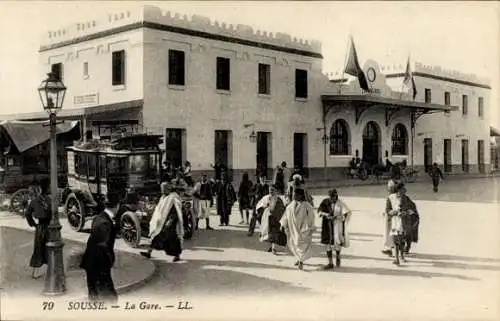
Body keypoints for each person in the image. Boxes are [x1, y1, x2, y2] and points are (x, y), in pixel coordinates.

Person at [80, 192, 120, 302]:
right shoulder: (105, 223)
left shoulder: (99, 217)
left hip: (91, 263)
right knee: (109, 297)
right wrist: (110, 261)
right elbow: (103, 246)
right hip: (99, 265)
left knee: (94, 295)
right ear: (117, 206)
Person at [141, 181, 184, 262]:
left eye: (163, 188)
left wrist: (170, 221)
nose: (162, 190)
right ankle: (149, 252)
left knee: (172, 239)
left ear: (168, 188)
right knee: (155, 235)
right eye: (161, 188)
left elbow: (176, 211)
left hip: (170, 222)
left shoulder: (174, 197)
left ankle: (177, 255)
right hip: (161, 221)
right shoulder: (163, 196)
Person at [280, 188, 316, 270]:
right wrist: (283, 224)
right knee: (293, 244)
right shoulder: (291, 205)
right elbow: (286, 215)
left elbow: (311, 217)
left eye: (295, 195)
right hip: (293, 228)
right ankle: (299, 258)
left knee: (301, 246)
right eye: (293, 195)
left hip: (303, 228)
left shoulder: (307, 206)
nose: (294, 196)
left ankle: (301, 261)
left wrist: (310, 227)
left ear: (300, 196)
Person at [317, 189, 352, 269]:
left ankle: (338, 256)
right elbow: (319, 211)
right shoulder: (325, 202)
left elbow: (347, 213)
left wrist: (337, 217)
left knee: (337, 242)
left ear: (337, 196)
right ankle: (330, 263)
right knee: (327, 243)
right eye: (331, 197)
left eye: (335, 197)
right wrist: (326, 214)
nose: (333, 199)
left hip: (337, 225)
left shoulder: (340, 203)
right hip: (327, 225)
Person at [25, 178, 51, 279]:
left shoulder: (34, 201)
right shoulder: (50, 200)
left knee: (38, 249)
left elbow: (27, 214)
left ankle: (35, 273)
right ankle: (52, 270)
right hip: (50, 227)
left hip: (40, 227)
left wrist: (33, 224)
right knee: (50, 249)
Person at [385, 182, 417, 265]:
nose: (405, 190)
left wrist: (406, 212)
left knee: (402, 240)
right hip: (395, 222)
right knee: (396, 240)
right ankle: (396, 258)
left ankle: (402, 256)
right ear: (398, 190)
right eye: (403, 189)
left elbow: (413, 208)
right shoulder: (390, 198)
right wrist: (394, 212)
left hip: (404, 222)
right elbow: (387, 210)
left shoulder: (406, 198)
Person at [256, 184, 288, 254]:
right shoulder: (266, 198)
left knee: (275, 233)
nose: (271, 192)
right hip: (267, 218)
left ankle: (274, 248)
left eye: (272, 190)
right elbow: (259, 205)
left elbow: (282, 209)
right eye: (270, 190)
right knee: (269, 233)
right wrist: (265, 207)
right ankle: (272, 246)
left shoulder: (279, 199)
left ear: (276, 191)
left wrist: (276, 212)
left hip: (276, 218)